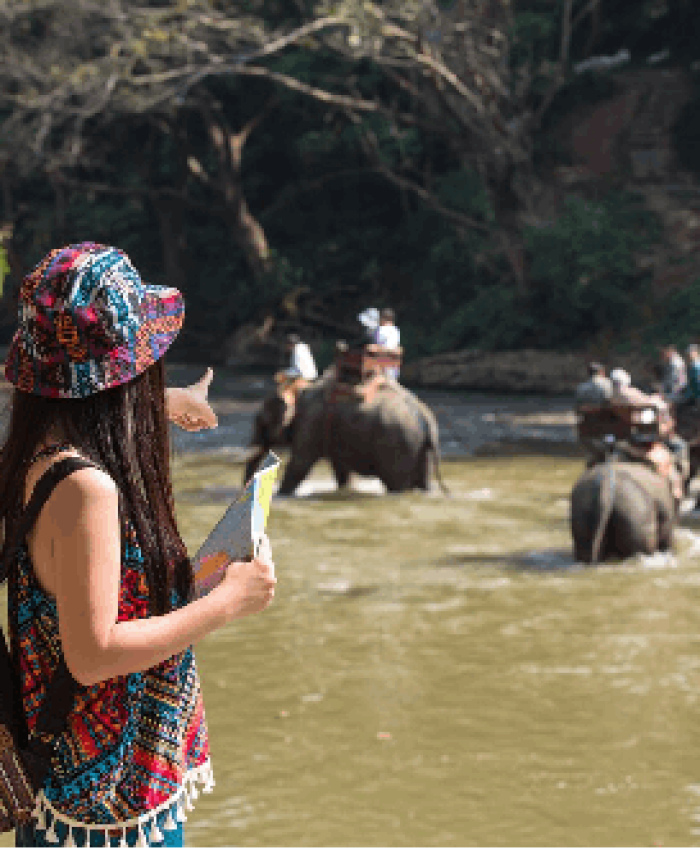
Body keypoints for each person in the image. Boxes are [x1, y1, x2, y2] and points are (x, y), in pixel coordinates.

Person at [0, 243, 276, 847]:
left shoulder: (34, 450)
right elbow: (93, 655)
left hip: (86, 799)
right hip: (106, 816)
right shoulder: (87, 489)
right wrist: (228, 601)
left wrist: (163, 403)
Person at [372, 308, 401, 381]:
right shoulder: (396, 330)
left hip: (382, 363)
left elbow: (378, 346)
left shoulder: (381, 329)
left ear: (383, 319)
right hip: (393, 366)